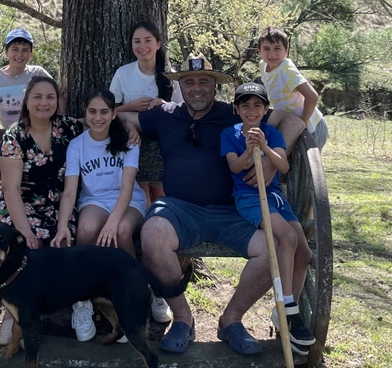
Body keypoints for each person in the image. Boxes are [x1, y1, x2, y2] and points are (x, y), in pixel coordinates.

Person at [120, 53, 309, 355]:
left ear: (214, 86)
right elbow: (120, 117)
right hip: (179, 209)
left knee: (271, 246)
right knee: (153, 233)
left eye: (204, 82)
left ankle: (231, 320)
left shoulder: (235, 114)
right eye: (189, 81)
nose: (197, 87)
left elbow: (293, 120)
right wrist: (128, 124)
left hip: (232, 210)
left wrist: (276, 156)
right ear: (180, 86)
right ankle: (183, 318)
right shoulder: (165, 113)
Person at [0, 75, 83, 346]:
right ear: (27, 101)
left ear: (58, 101)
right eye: (37, 97)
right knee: (26, 244)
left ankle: (72, 304)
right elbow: (11, 190)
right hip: (19, 202)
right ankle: (13, 311)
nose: (44, 103)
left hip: (58, 203)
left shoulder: (69, 128)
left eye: (50, 97)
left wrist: (129, 127)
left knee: (62, 238)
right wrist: (25, 232)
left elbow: (103, 124)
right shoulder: (14, 136)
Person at [221, 82, 315, 355]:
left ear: (265, 109)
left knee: (304, 254)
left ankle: (288, 309)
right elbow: (234, 167)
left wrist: (265, 147)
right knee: (286, 237)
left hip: (276, 199)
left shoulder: (272, 133)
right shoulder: (230, 134)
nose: (252, 111)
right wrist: (248, 151)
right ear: (237, 109)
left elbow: (283, 166)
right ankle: (285, 305)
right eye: (246, 105)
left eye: (258, 105)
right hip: (250, 200)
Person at [51, 89, 146, 342]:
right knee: (85, 230)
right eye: (92, 112)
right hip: (94, 200)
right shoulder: (77, 145)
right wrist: (62, 226)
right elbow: (70, 192)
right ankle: (82, 302)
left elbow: (126, 187)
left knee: (123, 231)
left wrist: (113, 223)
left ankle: (131, 302)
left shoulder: (127, 139)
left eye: (104, 111)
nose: (98, 117)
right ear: (85, 114)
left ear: (114, 114)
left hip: (129, 201)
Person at [109, 20, 183, 324]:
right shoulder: (123, 74)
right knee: (140, 213)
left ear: (158, 44)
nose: (142, 47)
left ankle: (162, 289)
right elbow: (107, 110)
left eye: (148, 40)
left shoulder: (169, 76)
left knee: (161, 217)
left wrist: (162, 104)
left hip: (164, 149)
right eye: (137, 41)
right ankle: (139, 285)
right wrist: (130, 108)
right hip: (133, 146)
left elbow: (182, 111)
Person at [258, 26, 328, 151]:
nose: (272, 54)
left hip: (311, 125)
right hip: (289, 121)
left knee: (306, 167)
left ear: (286, 50)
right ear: (259, 51)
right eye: (266, 49)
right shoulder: (263, 65)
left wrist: (301, 123)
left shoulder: (286, 70)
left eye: (277, 48)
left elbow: (312, 96)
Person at [0, 28, 54, 135]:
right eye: (15, 49)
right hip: (11, 136)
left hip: (39, 133)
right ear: (6, 52)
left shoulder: (38, 73)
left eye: (25, 50)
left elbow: (58, 97)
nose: (20, 54)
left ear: (31, 53)